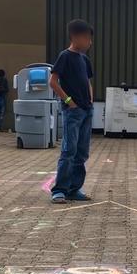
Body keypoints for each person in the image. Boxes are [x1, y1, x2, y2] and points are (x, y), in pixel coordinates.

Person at [50, 19, 95, 204]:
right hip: (73, 111)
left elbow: (88, 81)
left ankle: (74, 189)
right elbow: (53, 81)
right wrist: (69, 101)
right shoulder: (65, 56)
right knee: (69, 150)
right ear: (75, 37)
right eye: (87, 38)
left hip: (86, 110)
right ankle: (59, 189)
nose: (89, 42)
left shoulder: (85, 59)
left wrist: (91, 101)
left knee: (82, 152)